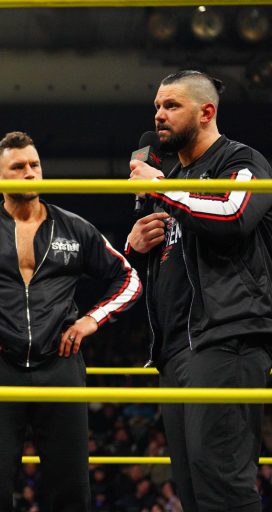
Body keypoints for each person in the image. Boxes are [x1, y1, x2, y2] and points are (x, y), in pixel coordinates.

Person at [0, 131, 141, 512]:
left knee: (71, 489)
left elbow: (129, 278)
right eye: (18, 167)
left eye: (35, 165)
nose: (30, 173)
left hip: (60, 364)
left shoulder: (74, 227)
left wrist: (91, 320)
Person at [126, 70, 272, 512]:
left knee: (222, 482)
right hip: (176, 348)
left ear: (206, 112)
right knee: (192, 488)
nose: (159, 115)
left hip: (225, 337)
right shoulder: (173, 179)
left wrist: (162, 187)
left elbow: (233, 215)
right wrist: (136, 246)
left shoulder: (241, 160)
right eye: (157, 106)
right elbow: (172, 262)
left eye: (172, 105)